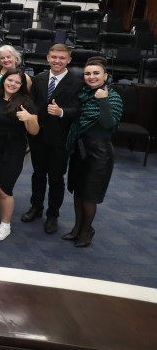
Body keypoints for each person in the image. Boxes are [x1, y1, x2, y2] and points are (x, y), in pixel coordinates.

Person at [21, 44, 82, 235]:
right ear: (48, 58)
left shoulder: (76, 83)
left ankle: (53, 215)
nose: (57, 61)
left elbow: (78, 110)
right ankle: (36, 207)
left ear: (69, 60)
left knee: (56, 179)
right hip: (38, 137)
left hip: (60, 140)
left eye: (62, 58)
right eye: (54, 57)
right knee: (38, 175)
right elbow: (32, 106)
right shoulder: (38, 79)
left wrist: (61, 111)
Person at [64, 57, 123, 248]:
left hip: (99, 153)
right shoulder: (83, 94)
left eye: (96, 73)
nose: (91, 77)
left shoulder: (112, 96)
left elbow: (109, 125)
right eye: (88, 73)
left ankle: (87, 230)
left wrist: (104, 101)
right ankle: (77, 227)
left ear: (105, 76)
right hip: (80, 148)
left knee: (89, 195)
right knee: (78, 191)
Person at [0, 69, 40, 241]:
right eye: (10, 80)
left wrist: (29, 118)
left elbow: (34, 132)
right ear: (4, 81)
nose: (12, 84)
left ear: (22, 86)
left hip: (13, 151)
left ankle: (5, 224)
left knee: (4, 189)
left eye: (17, 82)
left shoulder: (27, 103)